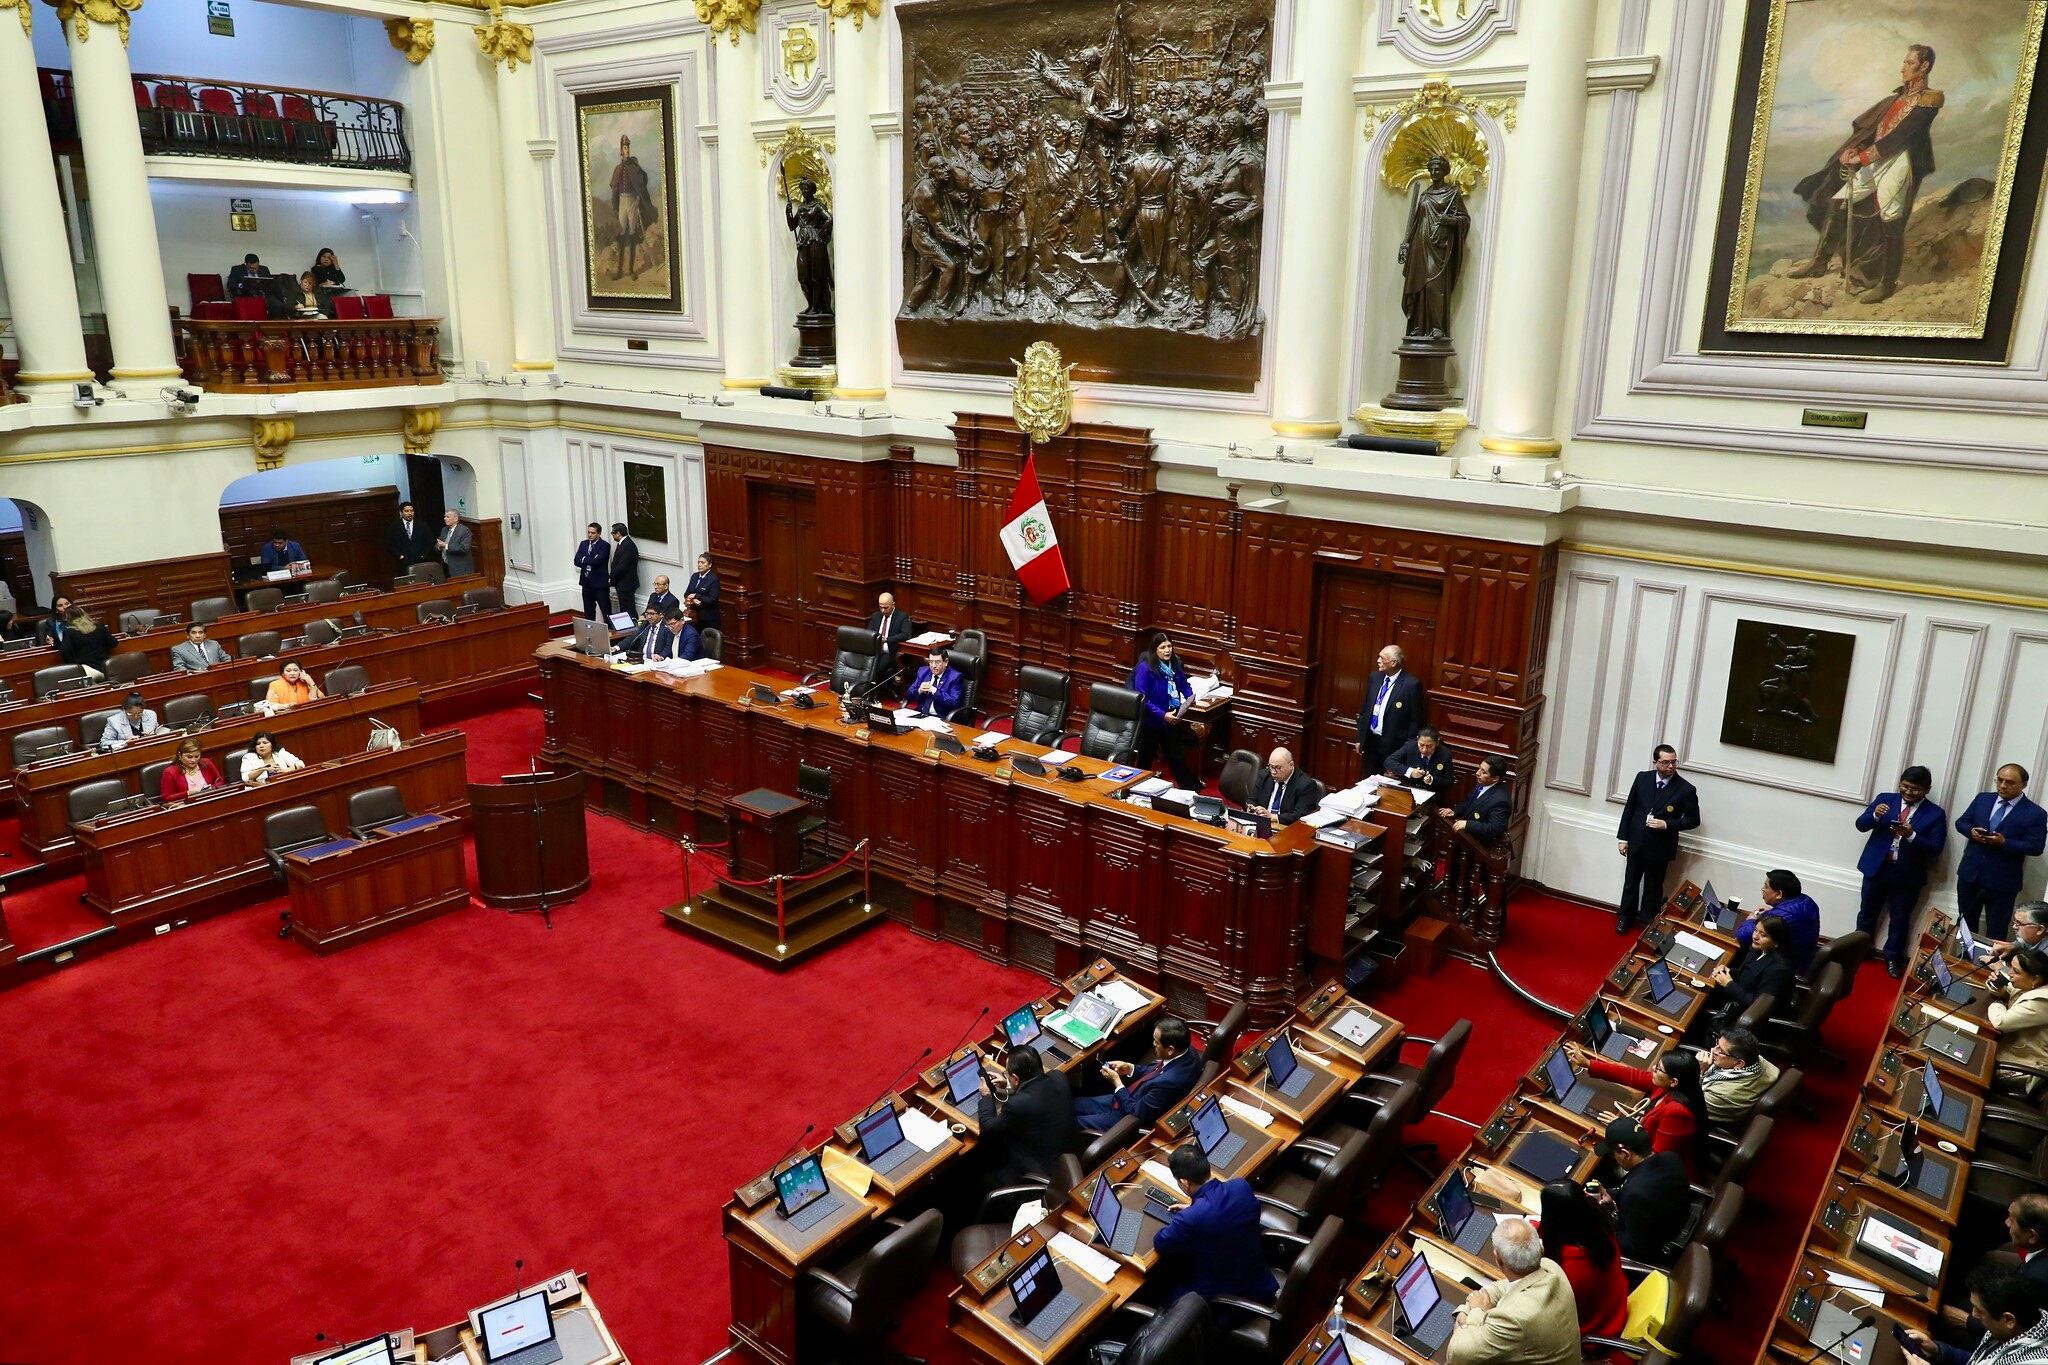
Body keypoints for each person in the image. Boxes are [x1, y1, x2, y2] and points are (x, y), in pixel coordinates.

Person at [1788, 46, 1942, 308]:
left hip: (1898, 162)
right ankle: (1819, 263)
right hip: (1875, 160)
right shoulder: (1894, 100)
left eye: (1908, 63)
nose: (1902, 68)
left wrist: (1862, 158)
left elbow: (1899, 137)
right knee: (1838, 201)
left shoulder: (1930, 99)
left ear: (1924, 66)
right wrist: (1856, 148)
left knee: (1891, 220)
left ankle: (1887, 284)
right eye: (1904, 62)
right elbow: (1877, 133)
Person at [1150, 1142, 1276, 1310]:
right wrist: (1195, 1209)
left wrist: (1191, 1213)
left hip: (1227, 1302)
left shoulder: (1190, 1218)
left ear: (1185, 1182)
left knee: (1160, 1294)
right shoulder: (1240, 1186)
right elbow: (1222, 1215)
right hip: (1259, 1281)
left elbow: (1161, 1242)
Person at [1446, 1216, 1582, 1365]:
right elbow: (1501, 1287)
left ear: (1499, 1260)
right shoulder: (1550, 1267)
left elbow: (1456, 1355)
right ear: (1540, 1249)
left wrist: (1477, 1311)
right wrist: (1468, 1308)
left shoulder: (1514, 1319)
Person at [1856, 765, 1949, 977]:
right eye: (1905, 786)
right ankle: (1860, 950)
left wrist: (1911, 835)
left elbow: (1935, 848)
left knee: (1900, 919)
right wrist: (1875, 817)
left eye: (1915, 789)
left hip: (1907, 875)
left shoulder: (1935, 813)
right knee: (1867, 913)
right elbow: (1860, 825)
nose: (1908, 792)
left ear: (1926, 789)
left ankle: (1892, 958)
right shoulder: (1885, 799)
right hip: (1876, 868)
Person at [1566, 1041, 1705, 1176]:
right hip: (1641, 1153)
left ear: (1674, 1081)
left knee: (1591, 1159)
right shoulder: (1668, 1086)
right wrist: (1588, 1064)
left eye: (1658, 1069)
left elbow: (1655, 1158)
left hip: (1657, 1174)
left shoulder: (1678, 1114)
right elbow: (1632, 1075)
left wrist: (1625, 1129)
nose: (1652, 1069)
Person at [1615, 745, 1701, 934]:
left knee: (1653, 886)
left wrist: (1667, 824)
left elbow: (1694, 820)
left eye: (1673, 762)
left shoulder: (1685, 789)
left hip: (1660, 846)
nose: (1670, 766)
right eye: (1665, 762)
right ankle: (1625, 916)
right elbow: (1629, 809)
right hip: (1637, 840)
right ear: (1655, 763)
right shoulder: (1642, 778)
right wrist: (1623, 838)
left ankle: (1647, 920)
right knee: (1630, 882)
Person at [1956, 765, 2047, 940]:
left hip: (2002, 881)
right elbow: (1961, 822)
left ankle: (1989, 966)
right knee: (1966, 924)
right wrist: (1972, 831)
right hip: (1970, 875)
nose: (2003, 785)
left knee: (1996, 930)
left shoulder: (2035, 813)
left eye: (2010, 782)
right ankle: (1962, 962)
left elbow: (2036, 846)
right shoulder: (1983, 799)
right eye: (2000, 780)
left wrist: (2005, 842)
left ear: (2024, 784)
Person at [1537, 1182, 1629, 1350]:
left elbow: (1546, 1313)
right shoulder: (1599, 1221)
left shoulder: (1568, 1270)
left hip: (1594, 1332)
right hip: (1616, 1306)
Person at [1900, 1263, 2048, 1364]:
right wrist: (1937, 1350)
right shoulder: (2014, 1329)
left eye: (1979, 1310)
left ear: (2008, 1319)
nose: (1973, 1315)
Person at [1071, 1017, 1199, 1134]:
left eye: (1156, 1041)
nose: (1153, 1044)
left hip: (1126, 1117)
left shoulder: (1169, 1083)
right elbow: (1156, 1070)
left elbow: (1134, 1111)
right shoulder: (1188, 1051)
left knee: (1073, 1121)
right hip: (1130, 1097)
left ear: (1170, 1049)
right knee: (1075, 1104)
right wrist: (1130, 1068)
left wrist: (1117, 1082)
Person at [974, 1047, 1074, 1189]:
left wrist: (986, 1096)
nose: (1006, 1075)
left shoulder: (1018, 1104)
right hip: (1070, 1157)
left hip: (1043, 1170)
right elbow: (1034, 1091)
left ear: (1016, 1078)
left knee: (981, 1172)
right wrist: (1009, 1085)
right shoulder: (1058, 1077)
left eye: (1007, 1074)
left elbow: (988, 1128)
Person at [1593, 1117, 1689, 1263]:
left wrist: (1602, 1229)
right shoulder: (1670, 1157)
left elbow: (1635, 1247)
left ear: (1625, 1154)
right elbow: (1645, 1190)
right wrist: (1610, 1194)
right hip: (1676, 1222)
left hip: (1658, 1253)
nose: (1613, 1158)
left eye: (1613, 1154)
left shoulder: (1635, 1194)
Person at [1133, 634, 1199, 790]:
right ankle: (1136, 787)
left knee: (1176, 755)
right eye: (1162, 647)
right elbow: (1143, 698)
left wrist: (1190, 696)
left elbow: (1183, 683)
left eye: (1169, 646)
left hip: (1171, 715)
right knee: (1145, 757)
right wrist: (1163, 715)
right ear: (1154, 650)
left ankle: (1191, 789)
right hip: (1151, 719)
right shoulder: (1145, 668)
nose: (1167, 650)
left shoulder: (1174, 664)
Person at [1708, 913, 1798, 1021]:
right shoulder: (1762, 950)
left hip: (1748, 1019)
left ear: (1776, 943)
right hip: (1737, 1000)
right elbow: (1751, 975)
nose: (1755, 936)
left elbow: (1757, 1005)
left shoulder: (1779, 970)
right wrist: (1729, 972)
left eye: (1763, 935)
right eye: (1755, 930)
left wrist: (1728, 984)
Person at [1356, 644, 1425, 778]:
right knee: (1368, 781)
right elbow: (1366, 709)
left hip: (1394, 747)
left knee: (1388, 787)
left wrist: (1406, 749)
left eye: (1382, 658)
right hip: (1371, 743)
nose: (1378, 660)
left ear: (1394, 662)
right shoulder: (1374, 678)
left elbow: (1416, 720)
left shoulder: (1411, 685)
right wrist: (1360, 738)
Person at [1988, 947, 2048, 1099]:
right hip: (2011, 1049)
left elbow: (2000, 1022)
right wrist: (2000, 991)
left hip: (2024, 1067)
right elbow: (2011, 992)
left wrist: (1997, 1002)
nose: (2009, 974)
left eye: (2016, 971)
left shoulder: (2042, 1001)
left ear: (2035, 979)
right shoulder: (2032, 984)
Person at [1738, 869, 1821, 976]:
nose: (1762, 889)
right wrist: (1772, 910)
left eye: (1766, 886)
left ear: (1778, 894)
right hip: (1805, 960)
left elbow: (1743, 936)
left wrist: (1752, 919)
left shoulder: (1781, 915)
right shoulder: (1806, 900)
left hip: (1785, 970)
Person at [1699, 1026, 1780, 1126]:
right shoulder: (1756, 1059)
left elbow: (1689, 1105)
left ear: (1738, 1064)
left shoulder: (1721, 1095)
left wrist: (1701, 1070)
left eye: (1720, 1051)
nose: (1713, 1050)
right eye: (1717, 1043)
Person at [1447, 755, 1512, 845]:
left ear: (1495, 778)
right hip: (1467, 839)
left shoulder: (1501, 801)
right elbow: (1469, 800)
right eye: (1479, 768)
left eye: (1484, 772)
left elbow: (1494, 828)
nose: (1477, 773)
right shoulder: (1483, 783)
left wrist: (1468, 825)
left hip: (1480, 846)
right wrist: (1455, 811)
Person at [1249, 748, 1318, 826]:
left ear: (1291, 765)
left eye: (1278, 768)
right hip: (1261, 824)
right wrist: (1252, 808)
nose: (1273, 772)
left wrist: (1272, 817)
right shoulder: (1264, 776)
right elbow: (1251, 799)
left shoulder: (1306, 785)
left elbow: (1300, 817)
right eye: (1271, 766)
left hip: (1286, 830)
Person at [1384, 724, 1455, 793]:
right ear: (1417, 739)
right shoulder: (1410, 746)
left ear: (1437, 742)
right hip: (1408, 788)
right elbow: (1389, 762)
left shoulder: (1445, 754)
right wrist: (1410, 771)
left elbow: (1449, 781)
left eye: (1429, 746)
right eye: (1421, 745)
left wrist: (1432, 780)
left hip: (1430, 793)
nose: (1424, 750)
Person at [867, 592, 914, 689]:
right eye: (881, 607)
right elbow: (868, 633)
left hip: (891, 653)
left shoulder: (902, 617)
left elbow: (906, 635)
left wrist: (886, 640)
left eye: (886, 607)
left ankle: (872, 693)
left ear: (893, 605)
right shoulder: (876, 616)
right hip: (875, 651)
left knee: (875, 668)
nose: (883, 610)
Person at [905, 646, 965, 720]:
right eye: (931, 662)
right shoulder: (923, 671)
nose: (933, 666)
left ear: (945, 662)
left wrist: (935, 691)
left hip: (941, 718)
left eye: (937, 662)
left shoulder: (955, 677)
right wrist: (919, 690)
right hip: (921, 715)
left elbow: (954, 702)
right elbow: (908, 695)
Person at [56, 608, 115, 678]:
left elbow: (64, 650)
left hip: (87, 670)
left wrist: (75, 662)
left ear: (68, 619)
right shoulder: (100, 627)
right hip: (106, 668)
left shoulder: (69, 632)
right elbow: (113, 643)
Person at [160, 738, 223, 802]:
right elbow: (167, 797)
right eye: (189, 757)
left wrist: (211, 788)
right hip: (188, 805)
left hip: (211, 800)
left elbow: (220, 782)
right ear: (179, 755)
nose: (193, 760)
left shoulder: (206, 763)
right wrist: (188, 793)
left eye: (197, 756)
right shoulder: (170, 772)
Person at [573, 523, 610, 621]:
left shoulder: (604, 546)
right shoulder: (583, 544)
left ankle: (611, 633)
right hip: (586, 583)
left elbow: (597, 561)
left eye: (593, 533)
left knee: (606, 611)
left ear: (599, 533)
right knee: (588, 612)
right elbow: (576, 560)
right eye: (589, 532)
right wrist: (590, 559)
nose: (590, 535)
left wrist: (584, 559)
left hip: (600, 584)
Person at [240, 731, 305, 785]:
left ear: (272, 745)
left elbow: (301, 764)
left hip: (284, 785)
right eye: (258, 744)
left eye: (265, 743)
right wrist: (262, 769)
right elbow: (245, 778)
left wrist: (287, 770)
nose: (261, 746)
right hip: (260, 789)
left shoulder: (279, 753)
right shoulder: (249, 757)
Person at [388, 501, 435, 572]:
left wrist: (423, 555)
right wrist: (400, 556)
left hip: (421, 561)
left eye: (411, 511)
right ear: (401, 512)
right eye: (406, 511)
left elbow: (430, 541)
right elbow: (390, 544)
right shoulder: (394, 527)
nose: (410, 513)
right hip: (403, 563)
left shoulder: (422, 525)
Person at [608, 522, 640, 616]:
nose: (612, 536)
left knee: (628, 609)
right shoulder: (624, 544)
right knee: (625, 608)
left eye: (612, 533)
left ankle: (632, 628)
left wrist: (611, 579)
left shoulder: (628, 545)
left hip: (626, 584)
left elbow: (621, 567)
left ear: (618, 533)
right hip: (623, 584)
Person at [683, 554, 721, 631]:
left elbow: (712, 599)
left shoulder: (713, 579)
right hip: (694, 615)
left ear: (710, 565)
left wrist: (697, 596)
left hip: (708, 618)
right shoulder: (694, 576)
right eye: (698, 562)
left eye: (702, 562)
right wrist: (693, 600)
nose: (699, 565)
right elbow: (687, 594)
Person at [437, 509, 474, 578]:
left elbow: (464, 548)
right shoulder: (444, 530)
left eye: (447, 517)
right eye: (445, 516)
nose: (445, 519)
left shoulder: (465, 531)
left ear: (456, 519)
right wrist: (439, 546)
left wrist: (446, 545)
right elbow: (439, 543)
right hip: (446, 566)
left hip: (460, 569)